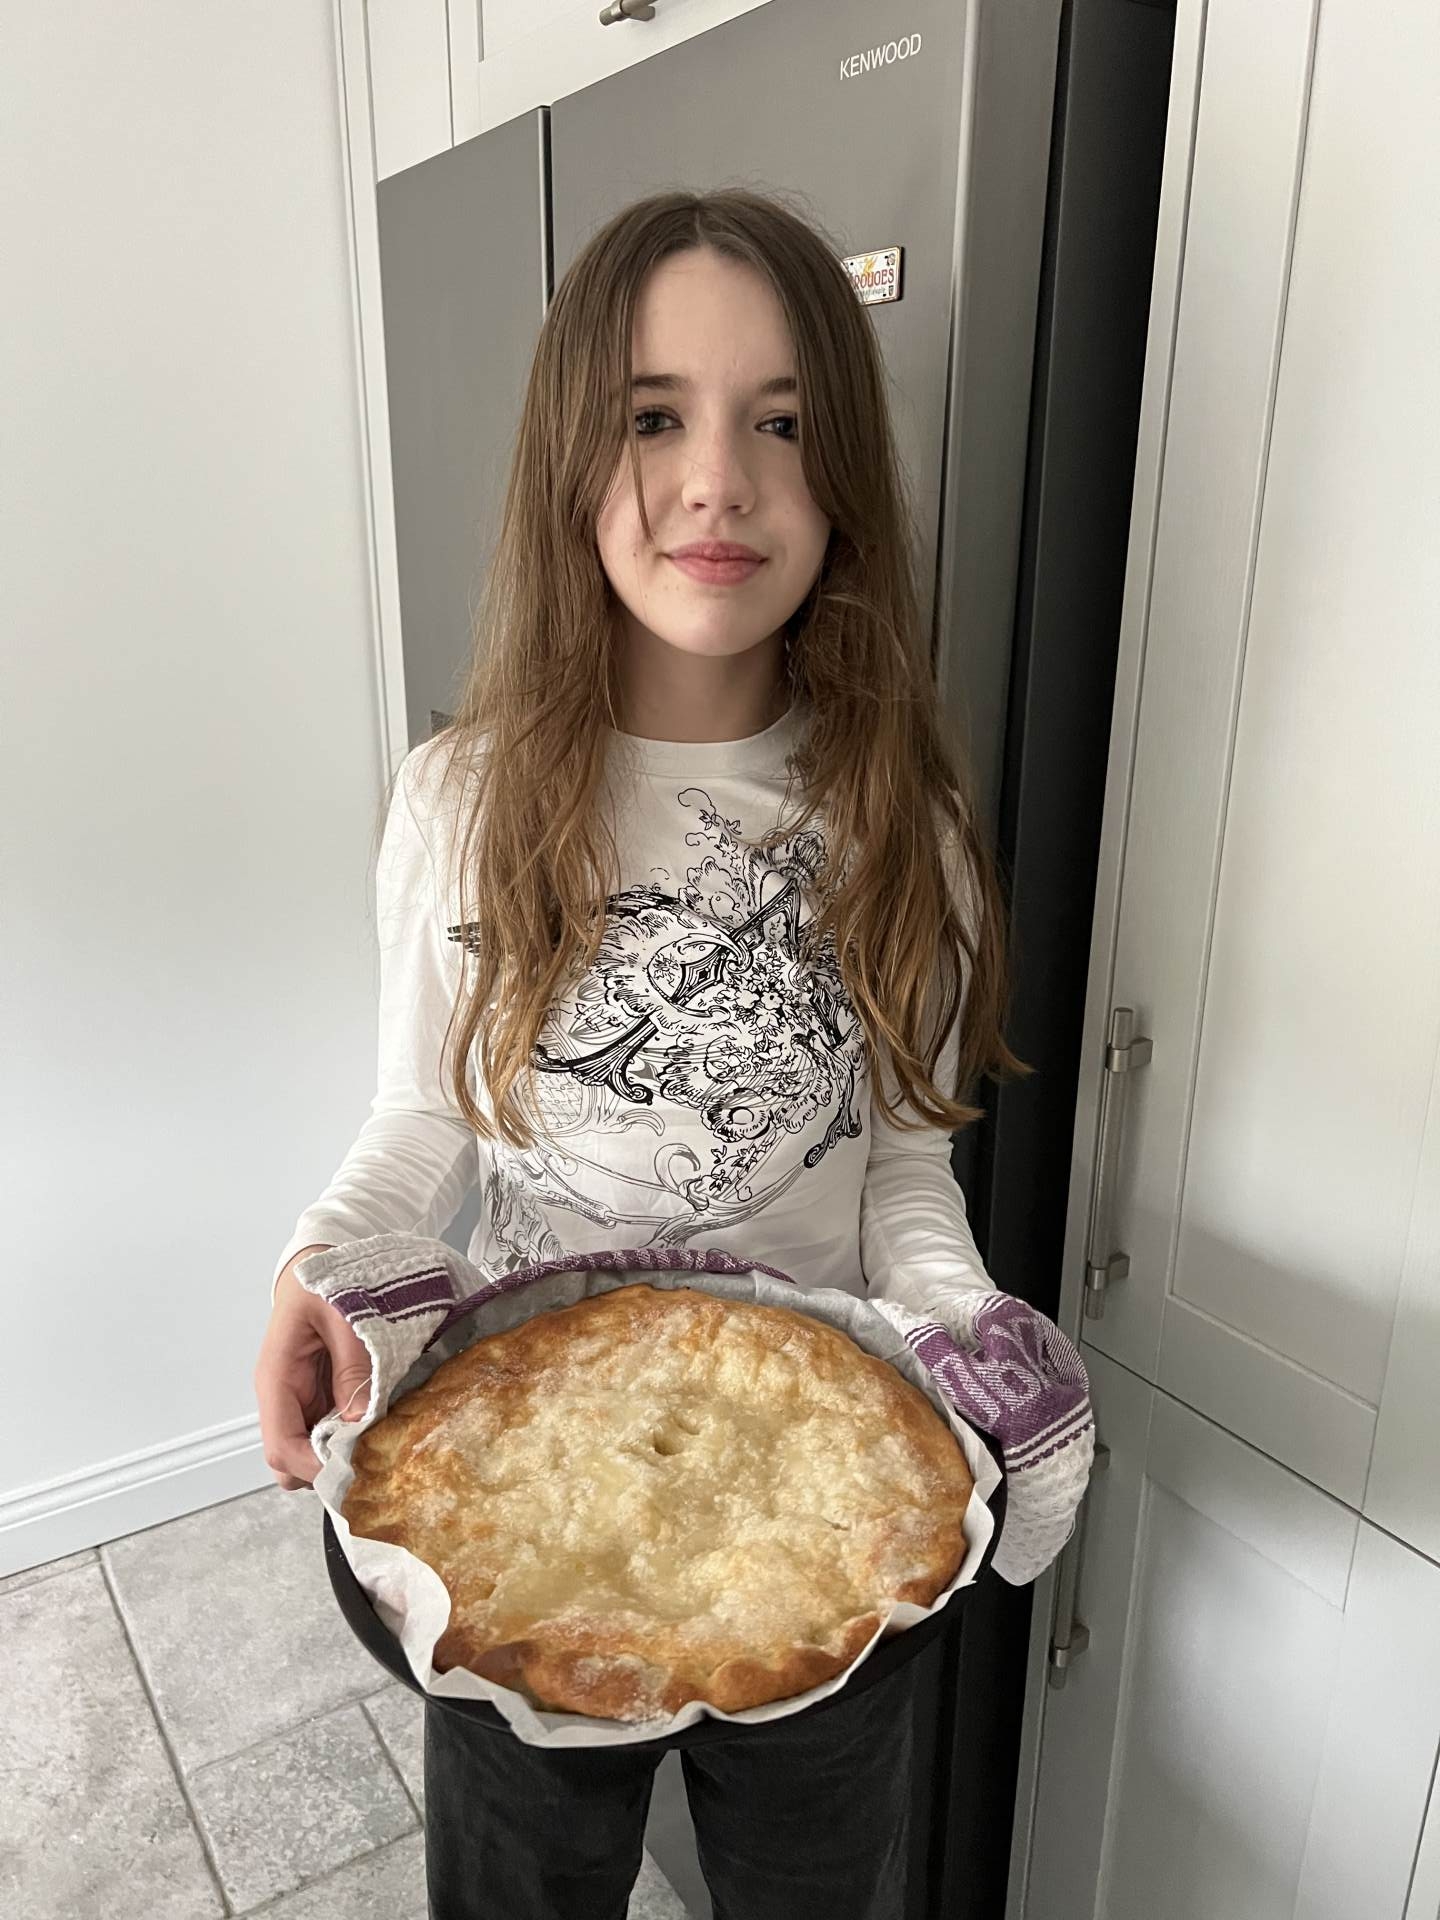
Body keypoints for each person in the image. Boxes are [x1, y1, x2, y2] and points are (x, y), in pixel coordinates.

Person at [254, 187, 1049, 1920]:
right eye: (653, 417)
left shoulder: (901, 819)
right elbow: (422, 1114)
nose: (718, 482)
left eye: (782, 423)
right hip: (523, 1489)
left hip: (826, 1499)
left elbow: (906, 1161)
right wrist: (326, 1256)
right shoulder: (462, 800)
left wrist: (964, 1327)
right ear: (573, 458)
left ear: (843, 478)